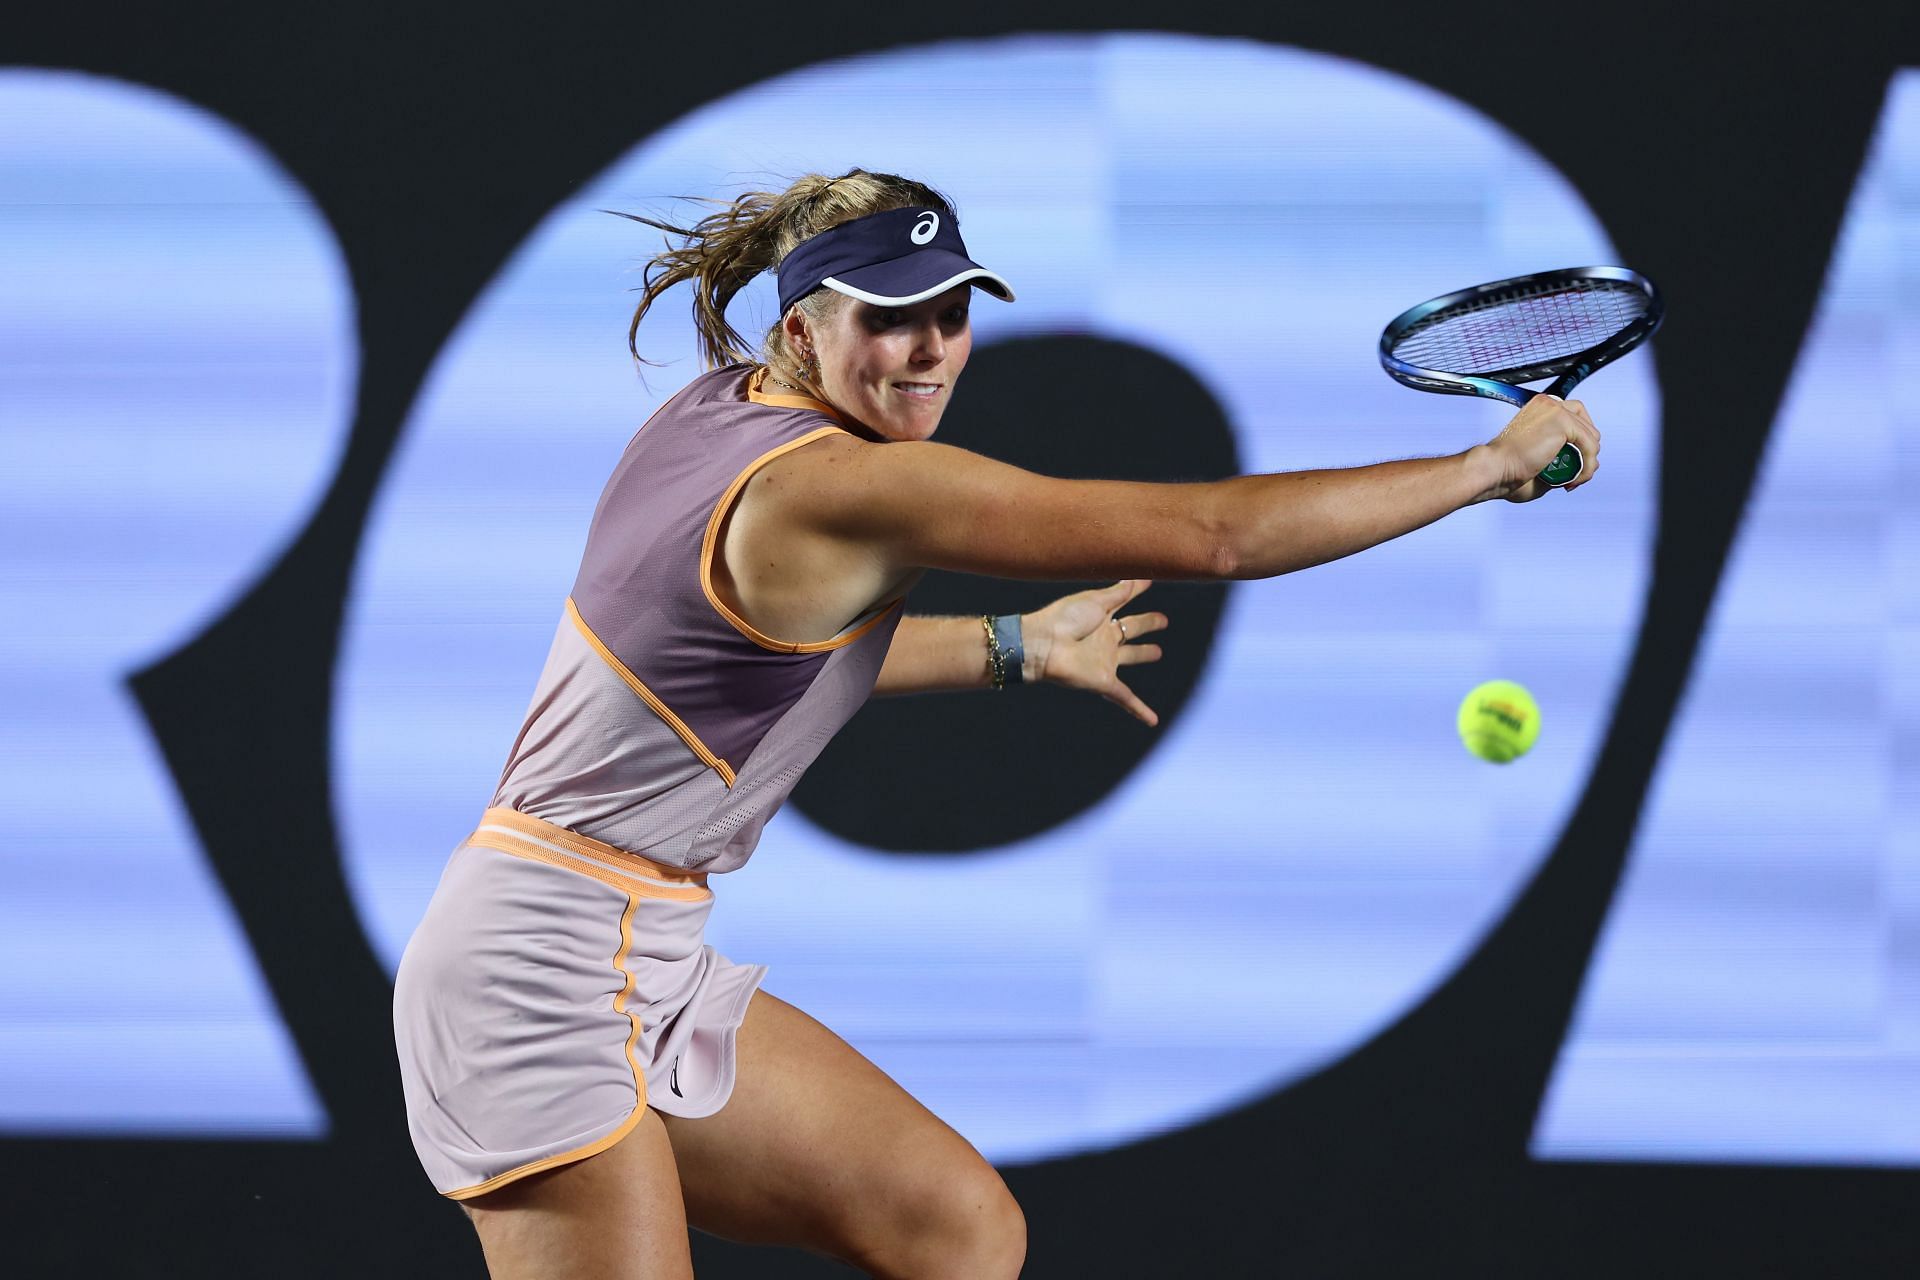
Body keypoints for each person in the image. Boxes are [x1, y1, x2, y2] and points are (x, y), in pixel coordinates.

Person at [392, 168, 1600, 1279]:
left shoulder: (716, 412)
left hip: (632, 943)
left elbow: (764, 662)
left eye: (952, 312)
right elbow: (1213, 537)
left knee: (958, 1223)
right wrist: (1486, 467)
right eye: (887, 316)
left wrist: (1018, 645)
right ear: (803, 325)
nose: (928, 350)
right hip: (532, 973)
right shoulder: (845, 487)